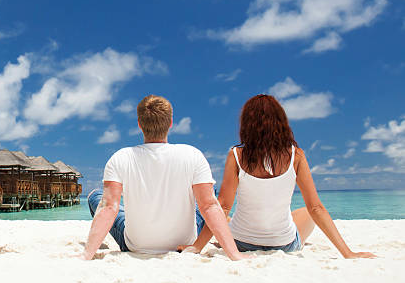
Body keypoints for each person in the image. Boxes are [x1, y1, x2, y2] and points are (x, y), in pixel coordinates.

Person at [178, 94, 375, 258]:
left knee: (227, 216)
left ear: (247, 124)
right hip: (284, 244)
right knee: (308, 211)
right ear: (281, 122)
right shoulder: (296, 156)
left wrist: (197, 247)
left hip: (241, 242)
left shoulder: (237, 155)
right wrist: (348, 253)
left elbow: (223, 205)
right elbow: (316, 208)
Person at [81, 94, 243, 260]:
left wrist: (86, 255)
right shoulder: (193, 155)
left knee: (96, 196)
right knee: (208, 195)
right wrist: (234, 255)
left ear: (139, 124)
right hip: (185, 242)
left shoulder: (121, 157)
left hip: (136, 246)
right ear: (171, 123)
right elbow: (208, 206)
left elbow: (109, 207)